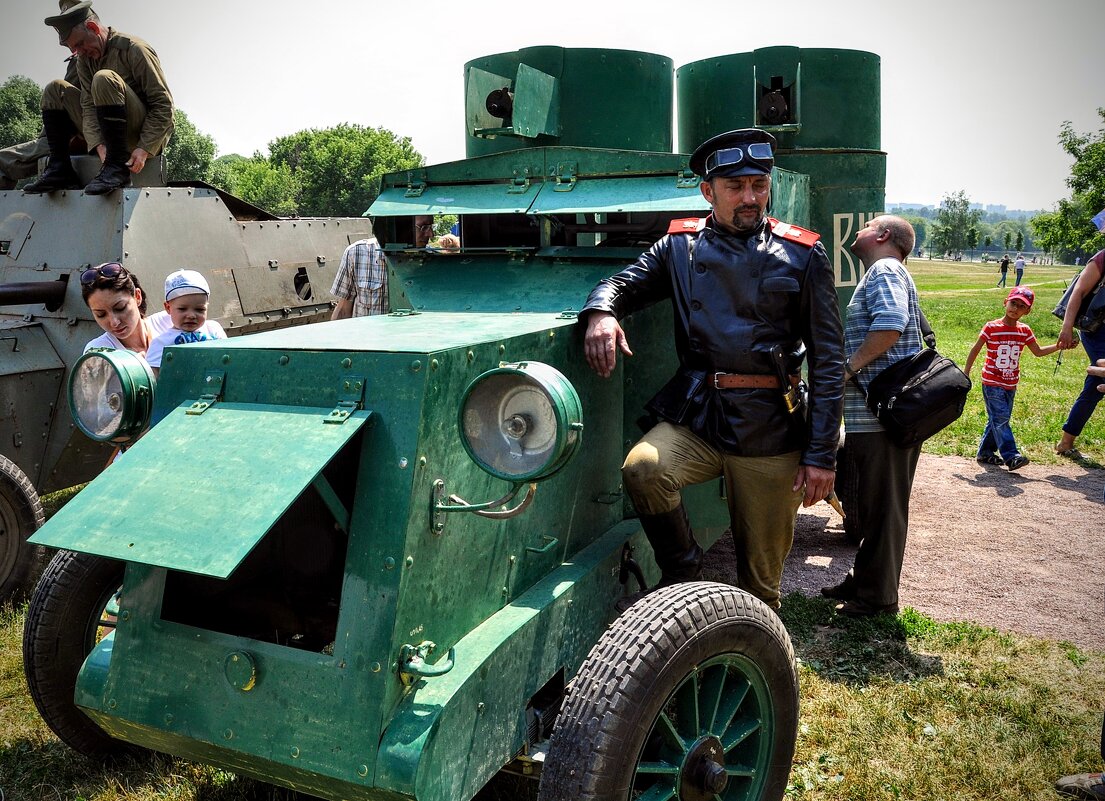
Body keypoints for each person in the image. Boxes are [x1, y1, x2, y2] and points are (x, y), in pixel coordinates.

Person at [581, 128, 844, 610]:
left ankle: (756, 652)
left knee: (760, 584)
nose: (750, 198)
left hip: (770, 424)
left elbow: (829, 359)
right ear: (708, 191)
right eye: (735, 186)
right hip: (702, 414)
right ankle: (682, 568)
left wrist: (821, 454)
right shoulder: (679, 247)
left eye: (758, 185)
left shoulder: (803, 252)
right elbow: (622, 282)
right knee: (644, 469)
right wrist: (602, 311)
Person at [822, 215, 922, 617]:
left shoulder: (884, 268)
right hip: (877, 418)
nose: (858, 230)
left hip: (884, 418)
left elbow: (890, 324)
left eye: (867, 225)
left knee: (883, 509)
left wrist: (849, 368)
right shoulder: (887, 271)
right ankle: (865, 580)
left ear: (882, 236)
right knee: (873, 503)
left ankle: (878, 598)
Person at [25, 1, 173, 195]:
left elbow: (163, 106)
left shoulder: (134, 49)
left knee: (104, 78)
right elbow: (87, 106)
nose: (79, 52)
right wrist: (98, 144)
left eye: (79, 44)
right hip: (108, 135)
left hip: (139, 136)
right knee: (55, 89)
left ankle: (117, 168)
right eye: (73, 49)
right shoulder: (84, 60)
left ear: (93, 28)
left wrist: (145, 148)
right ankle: (59, 168)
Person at [964, 286, 1060, 470]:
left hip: (1011, 383)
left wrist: (1059, 346)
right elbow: (975, 349)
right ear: (1005, 302)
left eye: (1021, 306)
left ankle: (985, 452)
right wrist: (966, 372)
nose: (1015, 308)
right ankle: (1011, 456)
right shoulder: (991, 327)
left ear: (1028, 311)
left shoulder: (1024, 330)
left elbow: (1038, 352)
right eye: (1013, 303)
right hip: (992, 381)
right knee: (1001, 418)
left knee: (998, 418)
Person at [1056, 249, 1105, 458]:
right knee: (1099, 379)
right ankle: (1066, 441)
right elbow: (1079, 291)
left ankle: (1066, 441)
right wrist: (1066, 328)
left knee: (1096, 385)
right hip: (1097, 330)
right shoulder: (1103, 258)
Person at [81, 261, 172, 357]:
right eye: (101, 315)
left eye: (120, 308)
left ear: (137, 296)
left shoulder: (171, 322)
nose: (114, 322)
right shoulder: (98, 353)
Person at [145, 270, 226, 374]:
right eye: (182, 309)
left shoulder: (213, 330)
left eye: (200, 310)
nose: (191, 315)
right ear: (168, 308)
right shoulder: (161, 343)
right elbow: (153, 377)